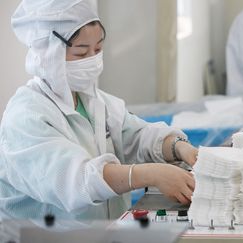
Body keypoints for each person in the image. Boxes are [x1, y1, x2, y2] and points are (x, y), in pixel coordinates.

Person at [0, 0, 197, 220]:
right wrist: (150, 174)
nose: (92, 60)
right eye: (81, 53)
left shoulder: (94, 102)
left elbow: (138, 135)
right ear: (48, 53)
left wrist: (180, 148)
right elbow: (76, 180)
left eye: (98, 49)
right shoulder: (25, 118)